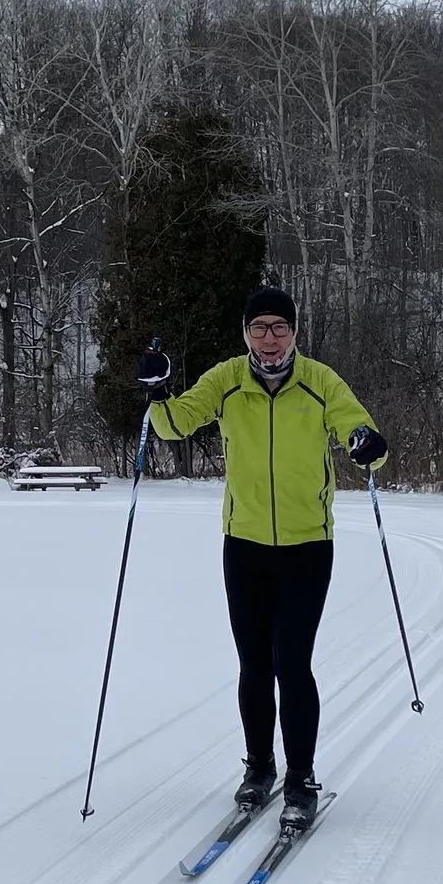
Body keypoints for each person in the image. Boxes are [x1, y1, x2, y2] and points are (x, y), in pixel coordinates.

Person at [137, 282, 388, 833]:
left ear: (294, 332)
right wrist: (157, 393)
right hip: (244, 545)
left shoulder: (319, 382)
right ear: (246, 333)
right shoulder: (227, 381)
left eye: (279, 327)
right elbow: (177, 423)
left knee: (291, 663)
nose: (269, 339)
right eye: (259, 328)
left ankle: (300, 777)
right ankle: (259, 768)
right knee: (253, 664)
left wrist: (365, 443)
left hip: (306, 546)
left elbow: (358, 427)